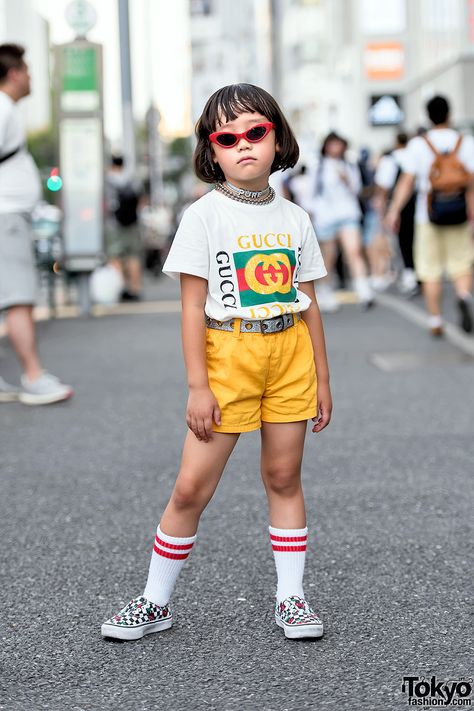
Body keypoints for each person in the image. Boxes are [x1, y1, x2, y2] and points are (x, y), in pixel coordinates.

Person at [101, 83, 332, 642]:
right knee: (190, 488)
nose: (243, 145)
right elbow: (189, 308)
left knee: (283, 476)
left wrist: (323, 378)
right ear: (212, 150)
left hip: (289, 354)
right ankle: (155, 601)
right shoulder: (203, 216)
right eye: (227, 138)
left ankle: (292, 599)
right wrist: (197, 386)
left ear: (278, 138)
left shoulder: (295, 217)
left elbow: (310, 302)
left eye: (256, 132)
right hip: (227, 356)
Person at [0, 44, 72, 405]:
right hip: (6, 216)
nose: (29, 77)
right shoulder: (2, 107)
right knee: (20, 300)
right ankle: (32, 376)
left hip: (9, 216)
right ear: (13, 73)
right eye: (26, 70)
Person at [386, 96, 474, 336]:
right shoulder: (465, 142)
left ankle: (435, 320)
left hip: (428, 216)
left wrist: (394, 210)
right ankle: (464, 295)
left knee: (429, 268)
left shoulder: (418, 144)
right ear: (449, 114)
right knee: (462, 263)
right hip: (460, 214)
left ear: (428, 116)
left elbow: (406, 182)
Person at [310, 132, 374, 312]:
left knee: (354, 251)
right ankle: (325, 291)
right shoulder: (318, 165)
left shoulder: (349, 165)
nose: (336, 148)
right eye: (332, 144)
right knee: (328, 256)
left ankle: (363, 290)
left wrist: (347, 179)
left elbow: (357, 189)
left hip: (347, 213)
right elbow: (311, 192)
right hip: (326, 216)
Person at [375, 133, 418, 297]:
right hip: (420, 204)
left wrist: (387, 208)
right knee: (415, 239)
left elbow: (383, 186)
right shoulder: (414, 154)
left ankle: (410, 274)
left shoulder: (390, 159)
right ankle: (415, 274)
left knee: (404, 240)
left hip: (399, 204)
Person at [105, 155, 143, 301]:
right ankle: (135, 289)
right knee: (133, 256)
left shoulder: (108, 180)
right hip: (132, 223)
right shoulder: (131, 179)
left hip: (114, 224)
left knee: (115, 256)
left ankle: (120, 288)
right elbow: (140, 199)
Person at [358, 147, 393, 293]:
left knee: (376, 244)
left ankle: (380, 273)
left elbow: (375, 191)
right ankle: (380, 273)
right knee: (376, 243)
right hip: (372, 212)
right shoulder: (371, 171)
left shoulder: (374, 173)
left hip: (375, 212)